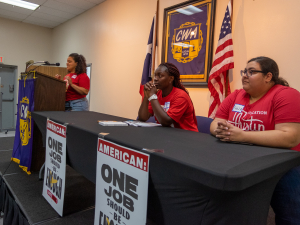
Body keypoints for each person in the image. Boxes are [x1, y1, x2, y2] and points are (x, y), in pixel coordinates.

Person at [210, 56, 300, 224]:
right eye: (244, 71)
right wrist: (224, 131)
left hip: (283, 167)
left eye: (251, 72)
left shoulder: (286, 95)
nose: (244, 75)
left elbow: (290, 137)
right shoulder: (236, 95)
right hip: (243, 162)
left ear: (268, 77)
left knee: (291, 216)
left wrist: (242, 135)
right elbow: (215, 123)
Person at [138, 62, 198, 132]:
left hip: (186, 136)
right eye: (155, 76)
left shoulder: (181, 96)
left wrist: (152, 96)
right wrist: (146, 95)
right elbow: (143, 117)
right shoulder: (158, 94)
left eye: (160, 76)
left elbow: (166, 122)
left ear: (170, 79)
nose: (155, 79)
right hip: (167, 134)